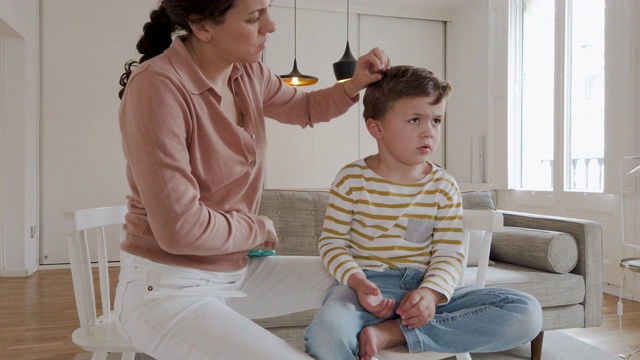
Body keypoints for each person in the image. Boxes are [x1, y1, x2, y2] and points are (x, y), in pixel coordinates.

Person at [113, 0, 391, 359]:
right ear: (202, 27)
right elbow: (179, 229)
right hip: (167, 291)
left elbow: (304, 107)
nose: (270, 26)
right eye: (253, 18)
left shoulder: (248, 74)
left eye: (268, 10)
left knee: (368, 279)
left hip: (235, 274)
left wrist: (354, 84)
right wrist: (258, 228)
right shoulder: (158, 87)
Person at [304, 65, 543, 360]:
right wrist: (357, 281)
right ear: (376, 128)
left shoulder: (443, 186)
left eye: (437, 120)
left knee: (526, 313)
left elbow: (448, 253)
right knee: (326, 336)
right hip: (362, 290)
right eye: (415, 119)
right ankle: (394, 329)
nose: (429, 131)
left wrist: (430, 293)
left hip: (425, 288)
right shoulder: (351, 179)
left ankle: (394, 333)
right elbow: (332, 243)